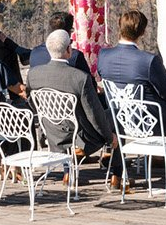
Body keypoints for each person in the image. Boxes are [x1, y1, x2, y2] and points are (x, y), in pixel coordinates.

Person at [96, 9, 166, 134]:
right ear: (143, 32)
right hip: (150, 121)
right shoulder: (149, 60)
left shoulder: (103, 55)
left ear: (120, 27)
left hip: (119, 117)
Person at [26, 29, 114, 158]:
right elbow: (94, 115)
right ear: (68, 49)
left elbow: (32, 103)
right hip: (78, 135)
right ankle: (116, 171)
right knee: (113, 115)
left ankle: (70, 166)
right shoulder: (80, 78)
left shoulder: (33, 74)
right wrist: (110, 138)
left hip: (51, 132)